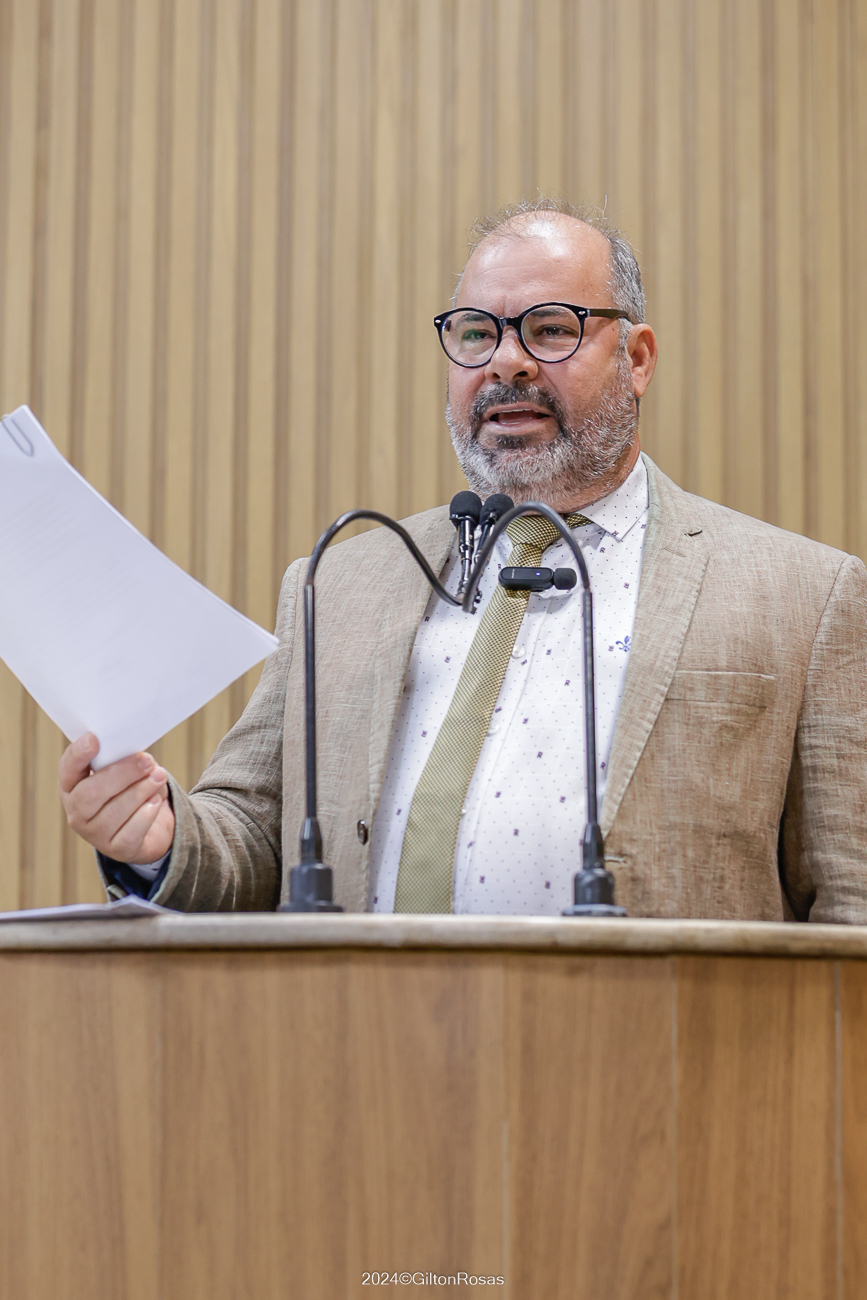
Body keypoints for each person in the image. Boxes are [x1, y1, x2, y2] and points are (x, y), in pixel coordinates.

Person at [58, 199, 867, 921]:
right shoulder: (338, 584)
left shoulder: (804, 597)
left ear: (637, 358)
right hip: (368, 1034)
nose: (506, 362)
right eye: (476, 333)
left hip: (662, 1040)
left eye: (550, 328)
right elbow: (255, 840)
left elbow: (850, 904)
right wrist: (160, 838)